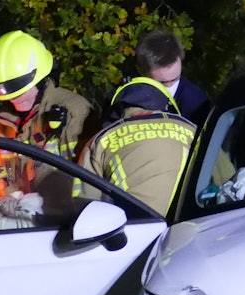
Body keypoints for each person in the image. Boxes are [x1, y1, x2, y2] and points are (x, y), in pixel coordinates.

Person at [0, 31, 97, 224]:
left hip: (61, 219)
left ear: (39, 78)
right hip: (18, 216)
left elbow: (89, 178)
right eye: (6, 91)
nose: (14, 97)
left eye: (19, 88)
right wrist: (7, 196)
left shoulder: (73, 111)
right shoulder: (4, 122)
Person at [78, 77, 195, 216]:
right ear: (167, 106)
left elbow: (84, 204)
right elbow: (224, 180)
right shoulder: (192, 129)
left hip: (135, 229)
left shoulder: (101, 140)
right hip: (193, 224)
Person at [135, 29, 211, 127]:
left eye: (175, 79)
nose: (169, 86)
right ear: (141, 72)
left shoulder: (195, 103)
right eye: (161, 83)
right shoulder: (128, 98)